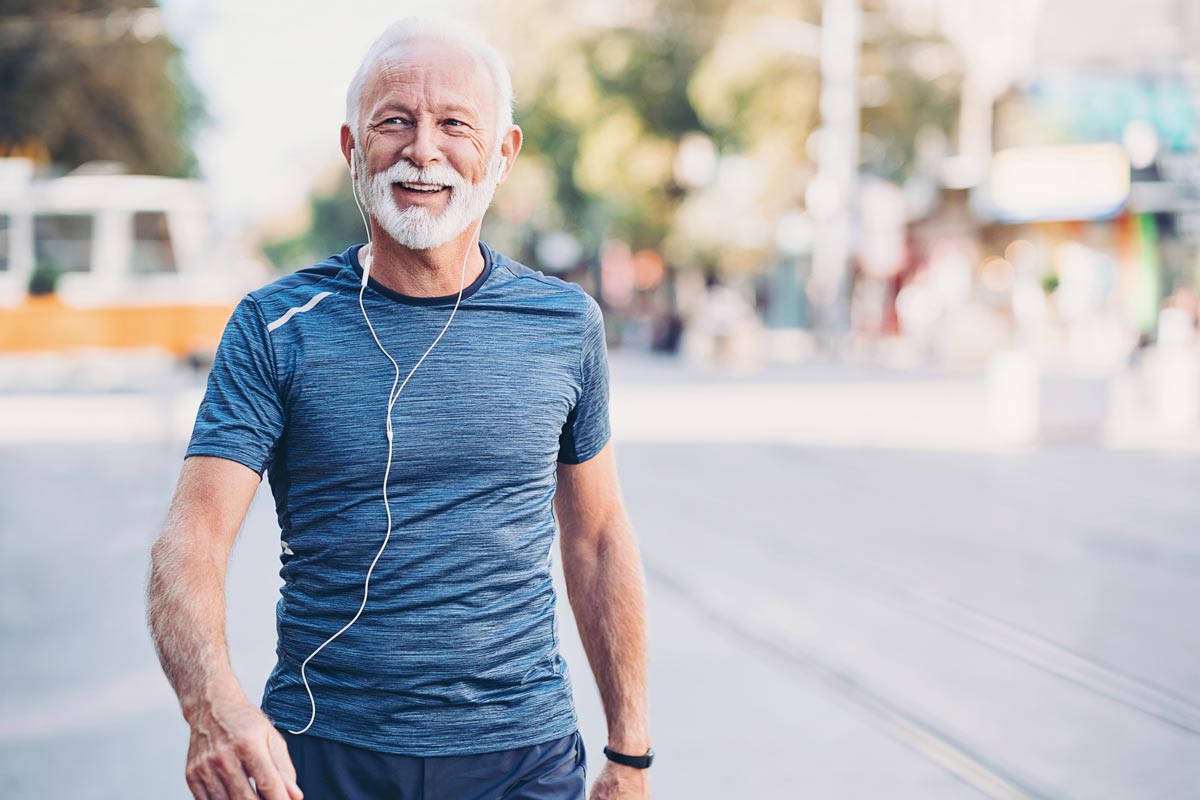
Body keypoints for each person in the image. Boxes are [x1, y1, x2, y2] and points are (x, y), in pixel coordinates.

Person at [146, 18, 651, 800]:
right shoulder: (275, 325)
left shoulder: (564, 323)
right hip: (323, 754)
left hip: (522, 758)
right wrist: (210, 709)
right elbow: (193, 537)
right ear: (352, 148)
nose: (423, 149)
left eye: (455, 124)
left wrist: (630, 751)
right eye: (395, 121)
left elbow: (597, 539)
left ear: (504, 153)